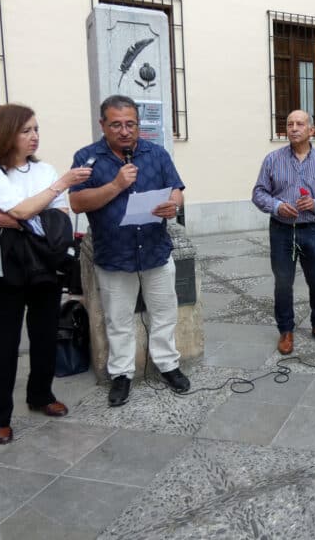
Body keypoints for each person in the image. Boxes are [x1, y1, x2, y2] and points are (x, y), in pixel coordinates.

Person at [0, 104, 92, 444]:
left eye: (36, 129)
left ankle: (41, 395)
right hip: (3, 269)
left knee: (44, 334)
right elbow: (30, 210)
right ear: (6, 133)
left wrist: (21, 219)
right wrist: (54, 192)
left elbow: (59, 219)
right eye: (26, 130)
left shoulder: (45, 170)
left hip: (44, 262)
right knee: (3, 343)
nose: (34, 136)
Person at [69, 95, 190, 407]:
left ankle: (168, 365)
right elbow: (77, 202)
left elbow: (177, 189)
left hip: (155, 250)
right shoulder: (87, 158)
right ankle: (121, 374)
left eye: (130, 124)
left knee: (164, 313)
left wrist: (173, 205)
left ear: (138, 124)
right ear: (102, 125)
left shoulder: (157, 154)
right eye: (116, 125)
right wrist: (116, 186)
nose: (124, 131)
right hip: (114, 254)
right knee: (118, 319)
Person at [252, 109, 315, 355]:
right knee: (283, 282)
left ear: (311, 130)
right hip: (281, 230)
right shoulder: (272, 159)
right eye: (289, 123)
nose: (293, 128)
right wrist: (277, 206)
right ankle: (285, 330)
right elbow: (258, 193)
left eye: (299, 124)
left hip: (311, 229)